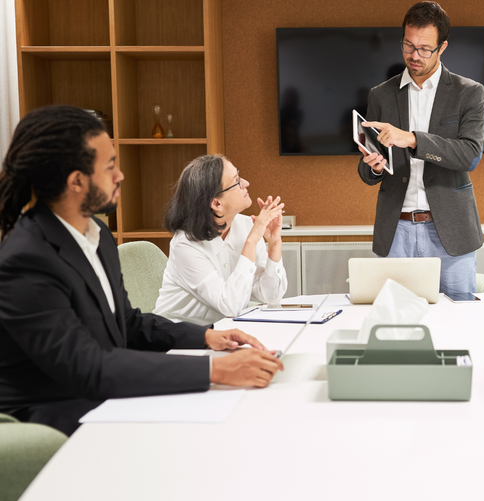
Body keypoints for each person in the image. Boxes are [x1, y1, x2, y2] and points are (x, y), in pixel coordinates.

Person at [0, 106, 284, 435]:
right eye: (109, 167)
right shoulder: (27, 260)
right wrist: (212, 370)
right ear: (76, 181)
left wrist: (206, 337)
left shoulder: (96, 235)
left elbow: (128, 324)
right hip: (50, 421)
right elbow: (89, 367)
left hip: (100, 396)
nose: (120, 175)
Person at [357, 1, 484, 297]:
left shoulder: (469, 93)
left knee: (458, 326)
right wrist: (374, 166)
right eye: (408, 45)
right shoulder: (381, 94)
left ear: (442, 47)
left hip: (450, 232)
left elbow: (469, 155)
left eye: (424, 49)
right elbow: (366, 169)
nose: (414, 56)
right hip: (396, 230)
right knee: (395, 326)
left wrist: (413, 139)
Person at [154, 155, 287, 325]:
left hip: (222, 331)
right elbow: (230, 305)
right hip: (178, 337)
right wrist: (252, 240)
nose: (246, 183)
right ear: (216, 204)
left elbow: (271, 296)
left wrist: (274, 242)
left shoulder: (246, 225)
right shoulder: (185, 245)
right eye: (237, 181)